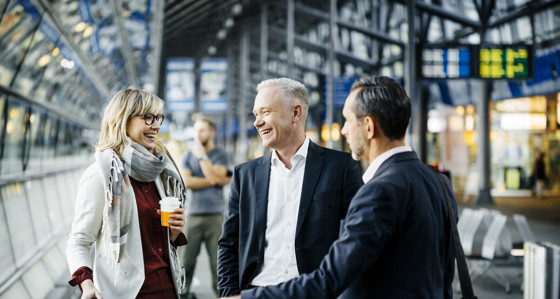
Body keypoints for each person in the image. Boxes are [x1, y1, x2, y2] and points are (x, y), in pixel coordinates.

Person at [221, 76, 457, 299]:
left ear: (368, 127)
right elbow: (446, 270)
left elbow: (331, 278)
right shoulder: (439, 182)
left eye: (347, 120)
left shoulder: (377, 192)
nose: (343, 130)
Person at [217, 78, 363, 297]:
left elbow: (355, 241)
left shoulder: (341, 167)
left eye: (265, 112)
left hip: (314, 292)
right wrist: (228, 295)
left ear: (296, 113)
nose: (257, 122)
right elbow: (229, 243)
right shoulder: (245, 174)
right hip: (255, 292)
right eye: (256, 114)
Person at [66, 89, 188, 299]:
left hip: (167, 289)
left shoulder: (158, 172)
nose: (157, 125)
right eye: (148, 118)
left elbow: (156, 243)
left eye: (158, 117)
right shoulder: (102, 174)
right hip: (127, 294)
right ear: (123, 120)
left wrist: (174, 234)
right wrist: (87, 285)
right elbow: (78, 241)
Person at [180, 116, 231, 298]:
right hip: (192, 216)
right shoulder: (186, 155)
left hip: (216, 216)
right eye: (196, 130)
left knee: (219, 264)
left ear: (212, 132)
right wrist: (214, 180)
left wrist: (202, 154)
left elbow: (220, 176)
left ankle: (221, 296)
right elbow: (186, 181)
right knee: (185, 262)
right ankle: (183, 295)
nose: (197, 134)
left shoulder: (221, 154)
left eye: (202, 130)